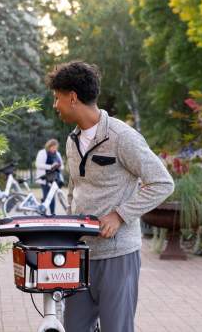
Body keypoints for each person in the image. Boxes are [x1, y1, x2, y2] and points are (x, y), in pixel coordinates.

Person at [46, 61, 174, 332]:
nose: (55, 105)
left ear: (73, 97)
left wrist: (120, 215)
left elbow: (162, 182)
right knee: (75, 328)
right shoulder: (71, 140)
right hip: (81, 255)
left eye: (57, 98)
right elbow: (74, 188)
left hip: (118, 255)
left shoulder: (122, 137)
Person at [35, 138, 64, 215]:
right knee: (46, 195)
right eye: (53, 147)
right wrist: (51, 166)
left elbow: (62, 166)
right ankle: (43, 213)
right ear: (49, 146)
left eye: (56, 147)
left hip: (55, 179)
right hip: (45, 178)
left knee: (51, 196)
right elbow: (38, 164)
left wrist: (58, 166)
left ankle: (52, 213)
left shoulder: (57, 154)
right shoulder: (42, 153)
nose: (55, 149)